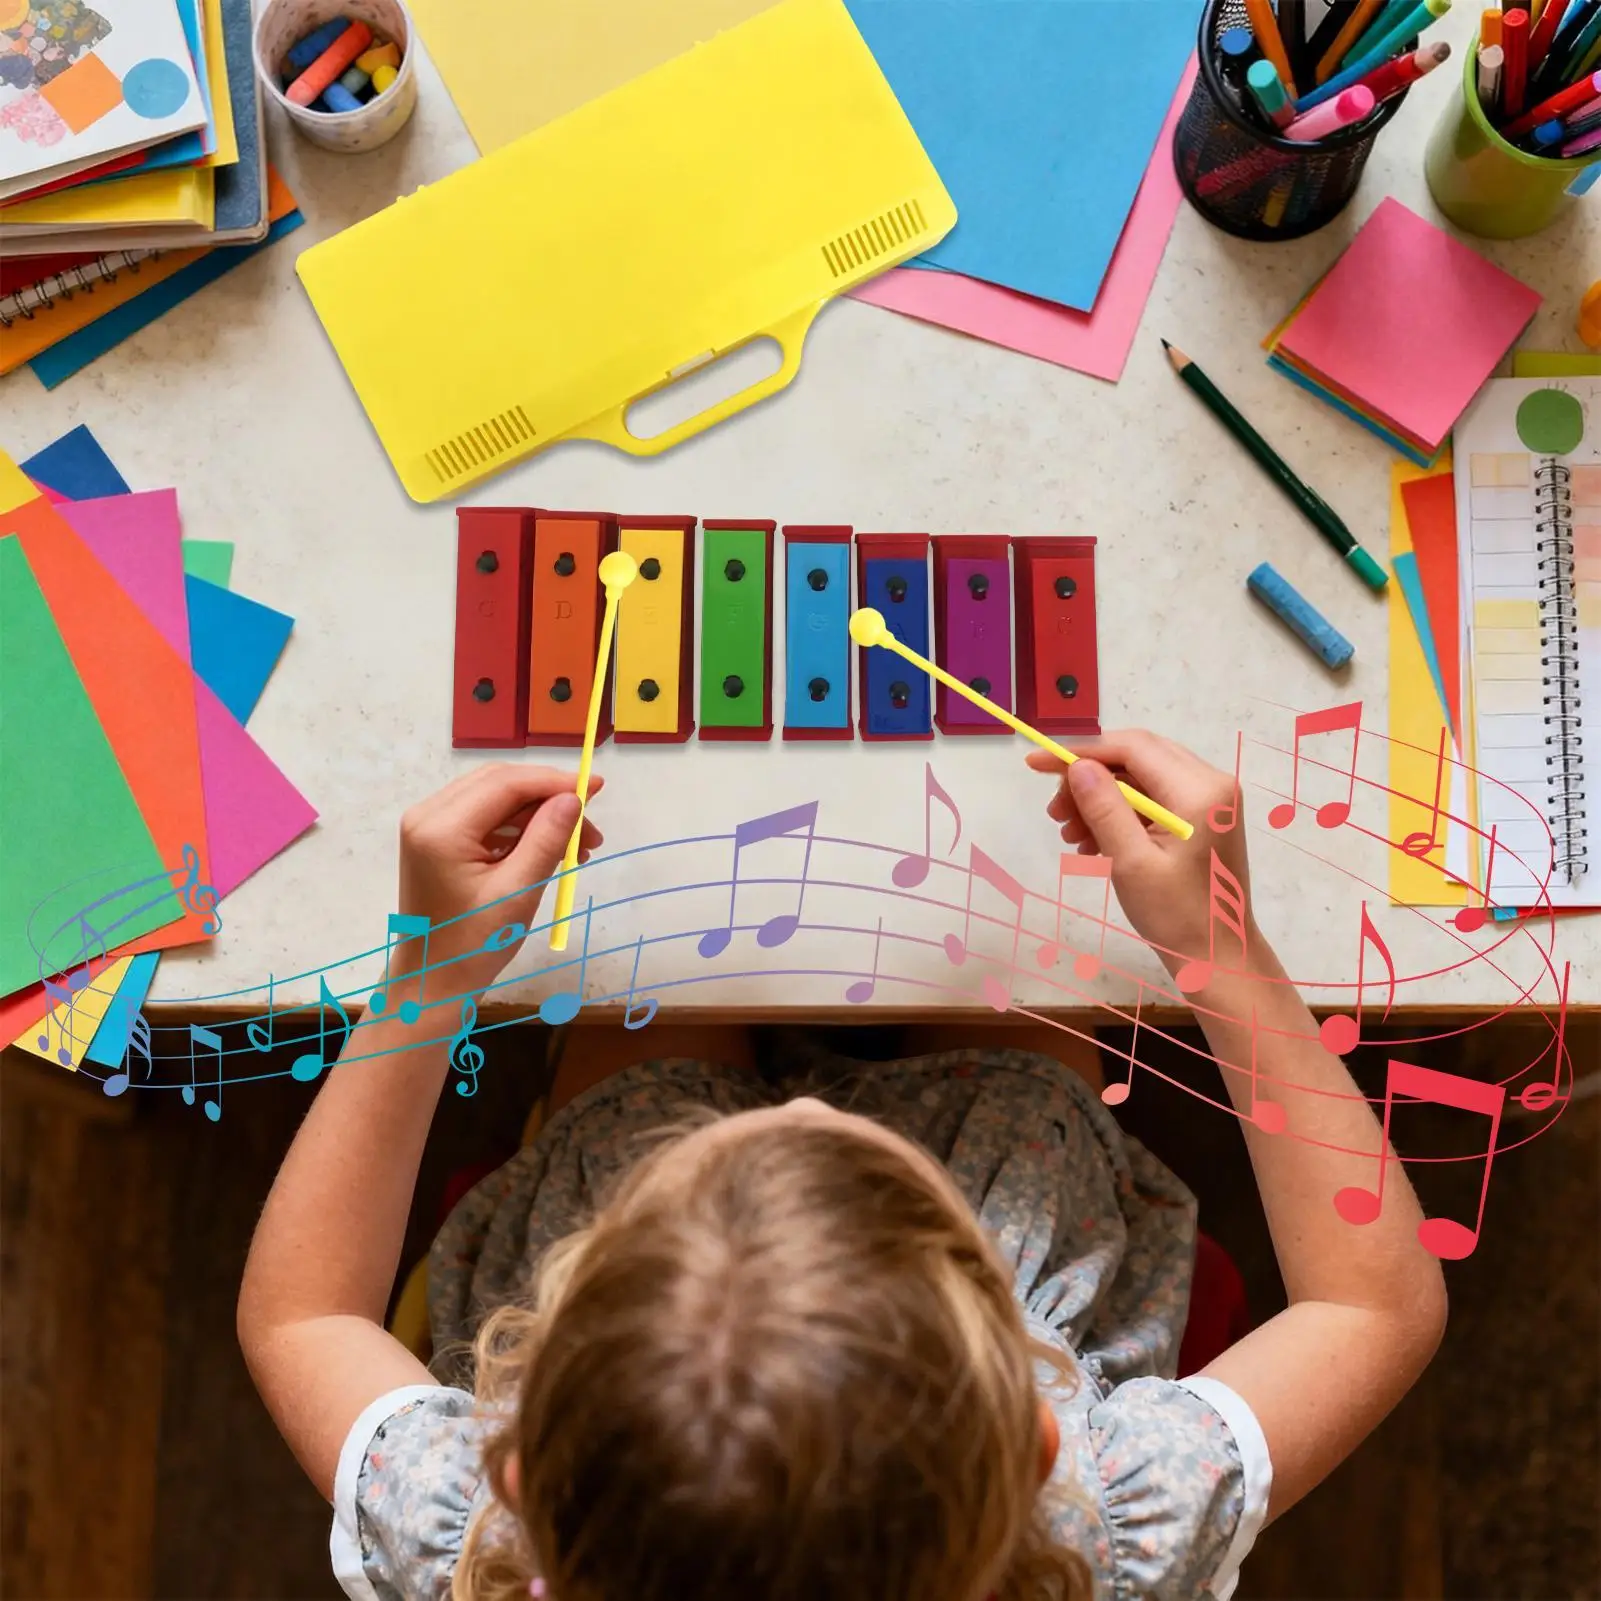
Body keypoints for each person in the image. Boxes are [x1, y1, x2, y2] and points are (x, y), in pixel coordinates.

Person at [238, 734, 1448, 1601]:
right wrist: (1216, 944)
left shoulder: (469, 1542)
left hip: (646, 1154)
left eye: (747, 1140)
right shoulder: (1112, 1532)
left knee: (641, 1012)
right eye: (831, 1132)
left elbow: (303, 1311)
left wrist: (431, 973)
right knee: (1028, 987)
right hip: (1011, 1153)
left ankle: (665, 1133)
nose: (804, 1097)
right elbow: (1371, 1301)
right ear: (1036, 1443)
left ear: (518, 1461)